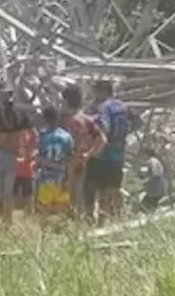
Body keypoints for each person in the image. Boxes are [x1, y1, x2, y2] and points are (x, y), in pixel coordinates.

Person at [0, 84, 29, 228]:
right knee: (8, 193)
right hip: (12, 155)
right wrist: (23, 151)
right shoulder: (19, 110)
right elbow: (25, 134)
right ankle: (8, 224)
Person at [85, 79, 131, 223]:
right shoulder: (122, 106)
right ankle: (119, 218)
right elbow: (134, 122)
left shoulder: (104, 107)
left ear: (102, 91)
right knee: (114, 186)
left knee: (99, 187)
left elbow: (104, 128)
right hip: (119, 152)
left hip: (103, 153)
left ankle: (100, 220)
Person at [62, 84, 106, 223]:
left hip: (67, 162)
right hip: (82, 161)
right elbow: (102, 139)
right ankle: (77, 223)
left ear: (65, 101)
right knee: (78, 193)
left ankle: (70, 222)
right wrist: (90, 154)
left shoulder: (64, 121)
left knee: (68, 193)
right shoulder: (88, 120)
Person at [35, 106, 76, 215]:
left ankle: (46, 230)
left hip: (46, 176)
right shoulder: (66, 136)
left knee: (44, 208)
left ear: (44, 119)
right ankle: (60, 230)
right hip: (61, 176)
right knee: (61, 207)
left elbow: (39, 157)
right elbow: (70, 159)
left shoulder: (42, 135)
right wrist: (69, 178)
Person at [15, 118, 38, 214]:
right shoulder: (26, 136)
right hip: (21, 169)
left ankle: (26, 213)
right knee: (26, 195)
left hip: (23, 169)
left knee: (25, 195)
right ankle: (27, 214)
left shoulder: (25, 136)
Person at [138, 142, 168, 212]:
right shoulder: (156, 161)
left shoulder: (151, 161)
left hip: (155, 187)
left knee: (145, 205)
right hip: (158, 186)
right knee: (151, 204)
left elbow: (155, 174)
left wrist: (145, 176)